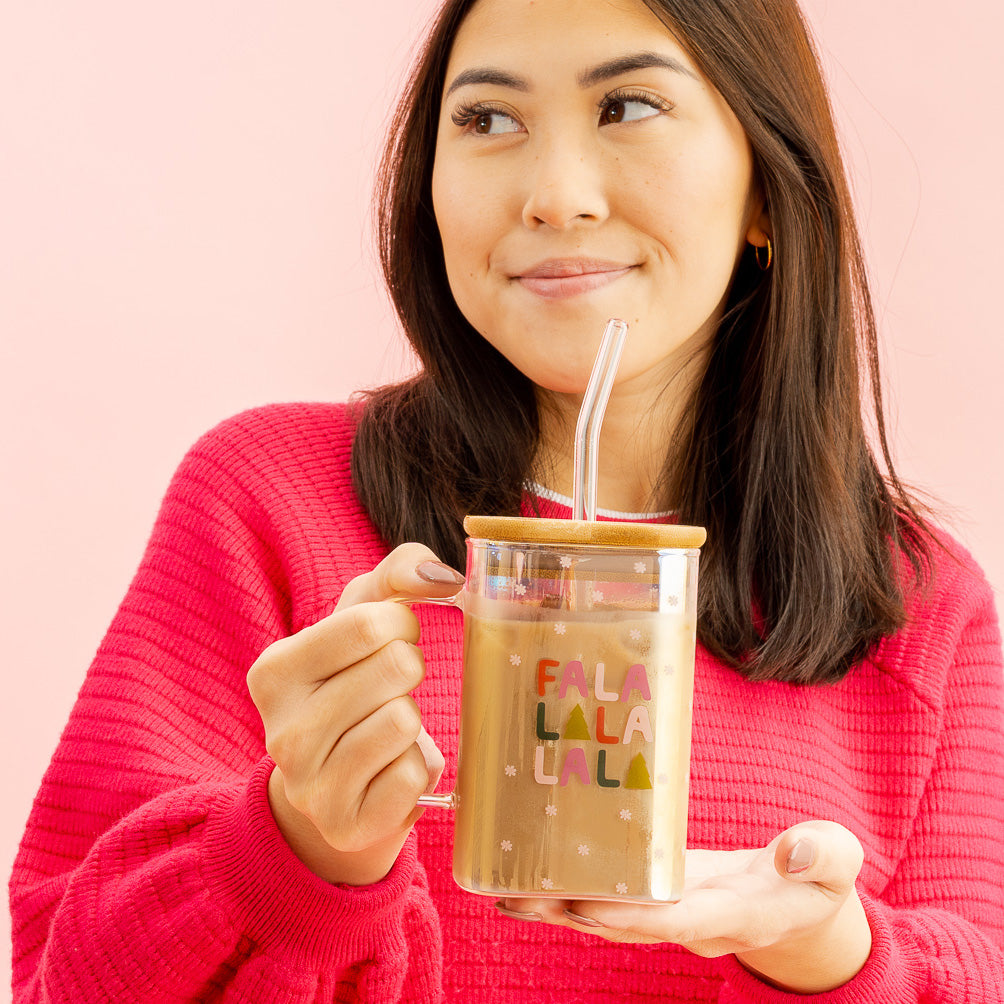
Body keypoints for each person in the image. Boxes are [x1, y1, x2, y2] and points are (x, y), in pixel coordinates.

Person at [10, 0, 1004, 999]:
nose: (553, 196)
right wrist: (295, 847)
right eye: (487, 120)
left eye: (627, 105)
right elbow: (61, 973)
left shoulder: (916, 603)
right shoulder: (264, 504)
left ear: (762, 186)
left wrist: (830, 955)